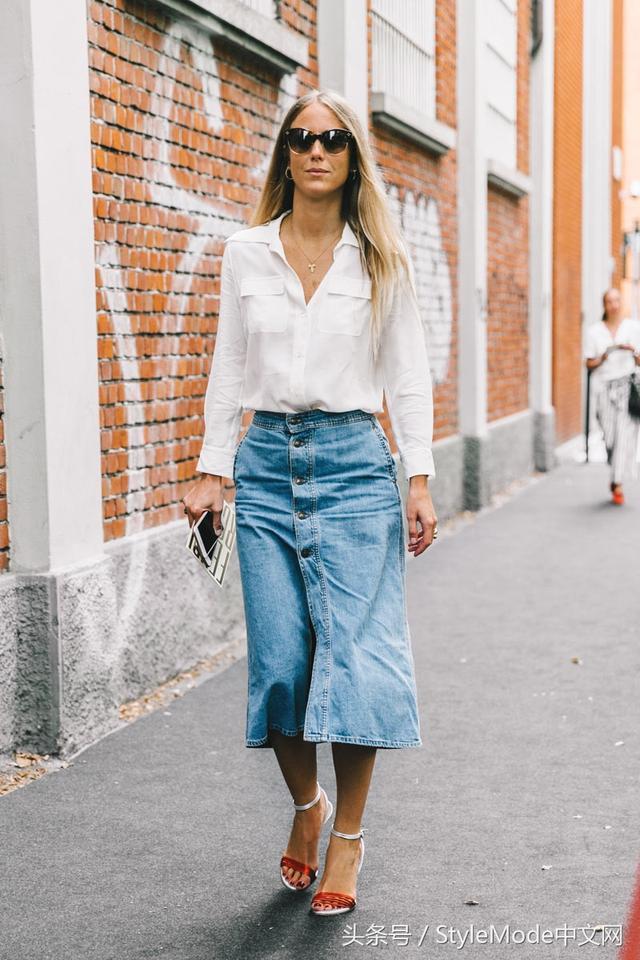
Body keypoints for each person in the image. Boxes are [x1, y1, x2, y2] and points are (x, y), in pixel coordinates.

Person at [183, 89, 437, 916]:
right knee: (282, 662)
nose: (316, 150)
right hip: (264, 466)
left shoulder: (381, 257)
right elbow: (228, 365)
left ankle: (349, 837)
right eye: (301, 138)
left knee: (358, 658)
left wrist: (419, 479)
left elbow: (407, 374)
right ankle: (308, 806)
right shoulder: (246, 252)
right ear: (285, 155)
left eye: (332, 139)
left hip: (356, 465)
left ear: (352, 156)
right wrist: (212, 469)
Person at [584, 287, 640, 504]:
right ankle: (613, 459)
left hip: (627, 387)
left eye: (617, 300)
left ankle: (617, 483)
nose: (614, 305)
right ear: (604, 305)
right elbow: (589, 363)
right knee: (610, 437)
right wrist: (604, 356)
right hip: (603, 388)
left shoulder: (633, 328)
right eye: (610, 301)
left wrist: (634, 353)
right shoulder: (594, 332)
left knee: (623, 436)